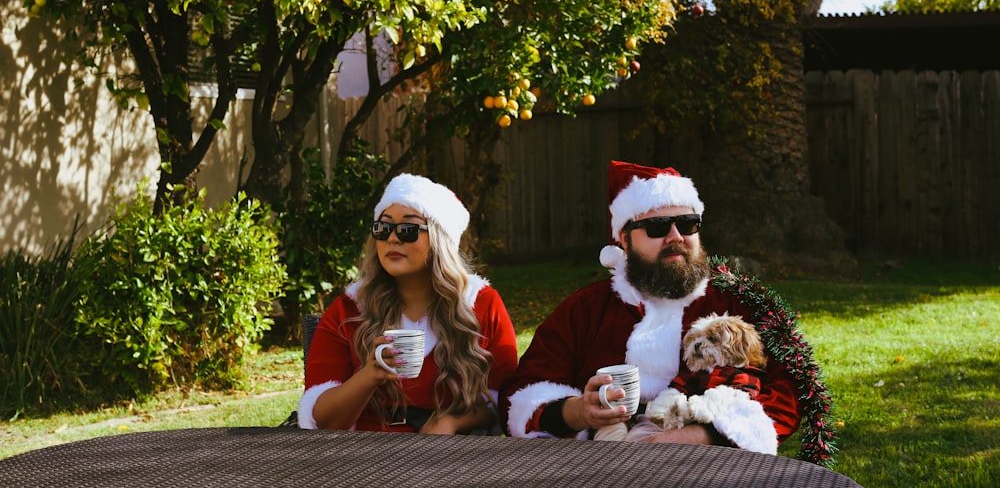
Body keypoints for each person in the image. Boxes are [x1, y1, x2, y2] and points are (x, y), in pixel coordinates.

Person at [500, 160, 802, 453]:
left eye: (687, 224)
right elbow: (520, 393)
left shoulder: (736, 303)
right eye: (657, 227)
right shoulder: (585, 310)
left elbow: (789, 389)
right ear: (624, 239)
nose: (676, 237)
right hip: (600, 462)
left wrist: (699, 436)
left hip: (711, 462)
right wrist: (579, 412)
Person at [297, 173, 518, 434]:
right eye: (383, 227)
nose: (392, 238)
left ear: (439, 239)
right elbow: (320, 420)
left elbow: (505, 399)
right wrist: (369, 376)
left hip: (451, 461)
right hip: (361, 458)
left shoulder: (480, 303)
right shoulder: (350, 309)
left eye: (408, 230)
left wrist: (450, 421)